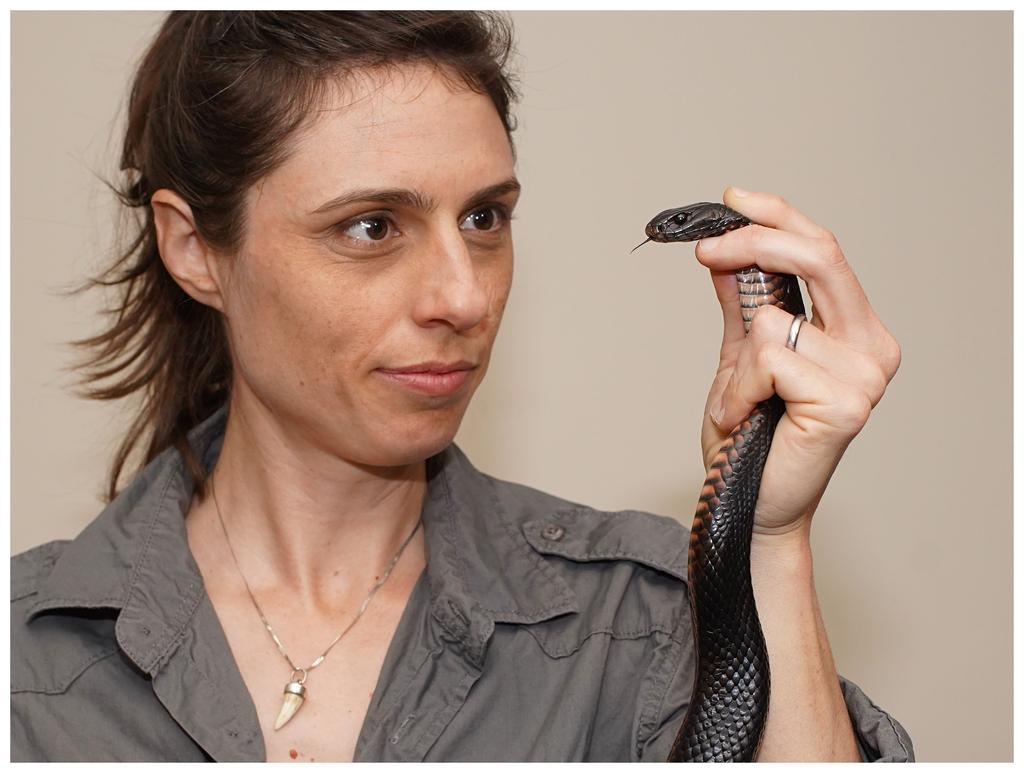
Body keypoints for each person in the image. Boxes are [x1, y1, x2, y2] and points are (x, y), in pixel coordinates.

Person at [11, 11, 914, 762]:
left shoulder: (642, 629)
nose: (465, 295)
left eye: (485, 218)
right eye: (371, 226)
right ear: (194, 248)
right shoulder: (26, 665)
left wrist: (763, 537)